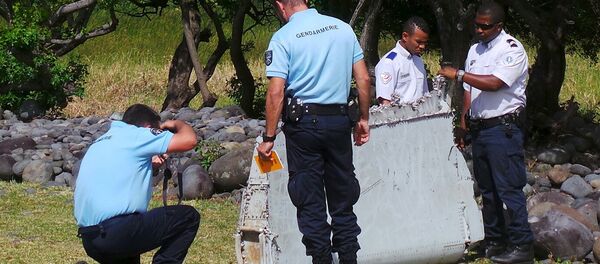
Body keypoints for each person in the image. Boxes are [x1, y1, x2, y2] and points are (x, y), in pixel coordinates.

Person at [256, 1, 371, 263]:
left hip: (304, 127)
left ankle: (321, 258)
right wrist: (363, 118)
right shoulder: (342, 29)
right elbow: (363, 79)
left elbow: (276, 91)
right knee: (343, 197)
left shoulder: (283, 37)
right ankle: (349, 257)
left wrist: (269, 138)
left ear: (280, 6)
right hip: (339, 122)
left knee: (309, 199)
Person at [438, 1, 534, 263]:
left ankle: (522, 246)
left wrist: (458, 74)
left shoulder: (511, 49)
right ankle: (494, 240)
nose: (479, 29)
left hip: (503, 128)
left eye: (485, 26)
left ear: (498, 26)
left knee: (509, 189)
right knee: (487, 191)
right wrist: (464, 122)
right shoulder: (474, 50)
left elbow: (494, 84)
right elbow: (471, 92)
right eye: (477, 24)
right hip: (481, 128)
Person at [73, 104, 199, 264]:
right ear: (147, 127)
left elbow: (119, 176)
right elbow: (189, 140)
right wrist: (176, 124)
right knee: (187, 217)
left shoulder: (102, 141)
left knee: (130, 240)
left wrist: (151, 167)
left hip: (90, 238)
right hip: (117, 231)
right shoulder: (138, 135)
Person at [375, 16, 430, 105]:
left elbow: (424, 94)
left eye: (424, 43)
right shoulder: (389, 63)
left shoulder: (418, 60)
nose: (422, 46)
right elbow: (385, 101)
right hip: (400, 117)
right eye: (419, 42)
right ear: (405, 36)